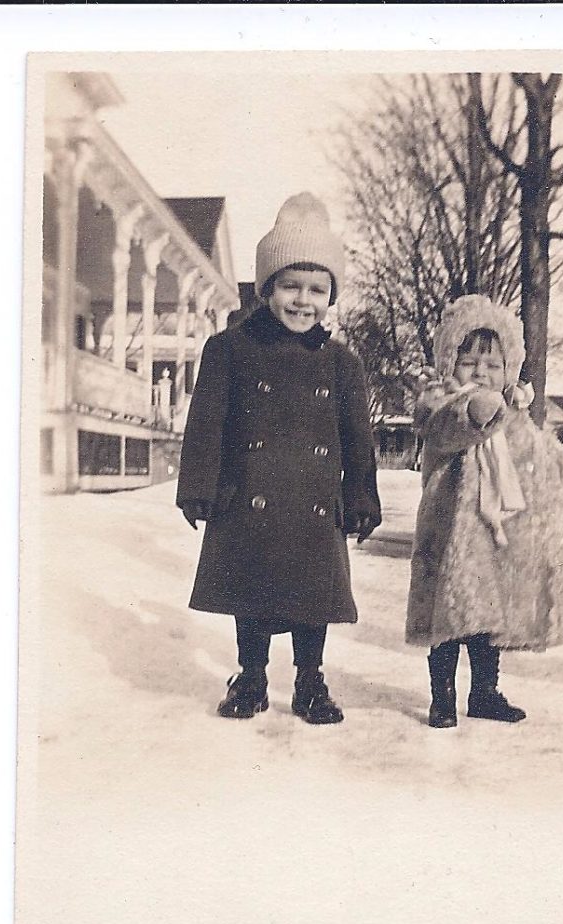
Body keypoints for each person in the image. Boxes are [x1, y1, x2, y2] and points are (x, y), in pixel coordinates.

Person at [177, 192, 381, 725]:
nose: (302, 300)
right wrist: (197, 486)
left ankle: (311, 681)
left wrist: (361, 496)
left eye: (317, 289)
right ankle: (251, 675)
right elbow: (206, 425)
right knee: (253, 592)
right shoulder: (229, 349)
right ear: (267, 287)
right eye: (290, 285)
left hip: (314, 502)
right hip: (249, 495)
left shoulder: (342, 363)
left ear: (331, 296)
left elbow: (359, 439)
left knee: (314, 599)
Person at [405, 294, 563, 729]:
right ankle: (441, 697)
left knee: (487, 620)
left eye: (492, 365)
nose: (480, 372)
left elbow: (527, 453)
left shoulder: (513, 412)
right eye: (469, 362)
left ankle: (485, 690)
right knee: (447, 620)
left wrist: (548, 457)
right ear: (450, 363)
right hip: (449, 535)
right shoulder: (440, 407)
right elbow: (451, 430)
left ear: (508, 371)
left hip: (494, 531)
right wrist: (476, 409)